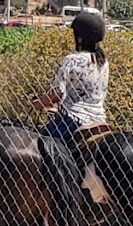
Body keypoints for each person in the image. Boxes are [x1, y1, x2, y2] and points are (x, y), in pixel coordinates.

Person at [33, 9, 109, 139]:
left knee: (39, 142)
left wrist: (38, 104)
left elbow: (57, 93)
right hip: (99, 121)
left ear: (79, 38)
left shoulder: (72, 59)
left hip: (73, 121)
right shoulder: (103, 62)